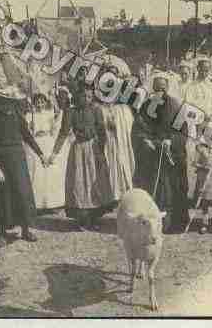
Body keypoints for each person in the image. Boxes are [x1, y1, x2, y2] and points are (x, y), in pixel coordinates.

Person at [0, 86, 46, 246]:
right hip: (2, 163)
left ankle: (26, 229)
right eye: (4, 103)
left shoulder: (18, 118)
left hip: (19, 161)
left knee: (23, 194)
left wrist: (40, 154)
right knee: (3, 197)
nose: (7, 106)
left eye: (10, 103)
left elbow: (28, 137)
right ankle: (2, 233)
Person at [132, 72, 190, 233]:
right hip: (151, 156)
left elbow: (183, 133)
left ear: (168, 89)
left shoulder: (176, 107)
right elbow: (138, 129)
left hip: (171, 155)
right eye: (157, 88)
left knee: (172, 189)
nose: (160, 92)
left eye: (163, 89)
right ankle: (150, 223)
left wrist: (171, 141)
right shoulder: (145, 107)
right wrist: (145, 141)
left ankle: (172, 223)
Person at [49, 85, 113, 230]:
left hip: (93, 148)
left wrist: (102, 152)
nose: (87, 99)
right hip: (78, 149)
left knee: (95, 182)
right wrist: (54, 153)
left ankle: (94, 217)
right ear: (78, 97)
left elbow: (101, 131)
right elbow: (63, 132)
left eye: (90, 96)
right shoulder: (70, 111)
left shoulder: (96, 110)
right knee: (79, 183)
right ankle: (82, 219)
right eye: (84, 96)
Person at [185, 56, 212, 235]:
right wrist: (199, 120)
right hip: (197, 131)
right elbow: (187, 109)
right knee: (201, 176)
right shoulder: (191, 87)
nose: (204, 72)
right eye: (201, 69)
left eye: (207, 69)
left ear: (210, 71)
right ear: (197, 69)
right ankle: (201, 216)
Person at [97, 66, 136, 207]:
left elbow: (128, 103)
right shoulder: (101, 89)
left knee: (122, 157)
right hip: (107, 120)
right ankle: (111, 194)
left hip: (121, 118)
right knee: (109, 157)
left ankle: (124, 191)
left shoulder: (122, 90)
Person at [25, 92, 66, 209]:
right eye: (37, 101)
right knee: (37, 169)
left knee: (50, 170)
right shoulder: (29, 115)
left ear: (45, 102)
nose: (40, 104)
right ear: (34, 103)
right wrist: (31, 127)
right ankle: (37, 202)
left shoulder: (49, 114)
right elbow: (27, 132)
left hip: (47, 141)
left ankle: (52, 202)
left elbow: (54, 128)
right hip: (36, 142)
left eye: (42, 101)